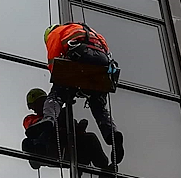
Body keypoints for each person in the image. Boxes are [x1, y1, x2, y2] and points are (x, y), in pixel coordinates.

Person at [32, 23, 125, 166]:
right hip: (102, 63)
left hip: (81, 56)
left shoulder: (55, 33)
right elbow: (105, 50)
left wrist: (59, 81)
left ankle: (49, 119)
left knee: (56, 95)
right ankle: (112, 134)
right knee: (98, 106)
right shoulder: (90, 31)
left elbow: (53, 61)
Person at [22, 88, 113, 178]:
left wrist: (78, 128)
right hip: (48, 148)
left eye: (36, 105)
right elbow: (35, 128)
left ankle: (103, 169)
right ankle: (38, 156)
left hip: (65, 148)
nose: (34, 109)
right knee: (37, 135)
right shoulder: (31, 119)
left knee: (90, 138)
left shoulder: (61, 113)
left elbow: (72, 130)